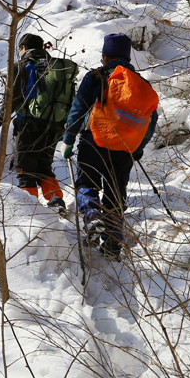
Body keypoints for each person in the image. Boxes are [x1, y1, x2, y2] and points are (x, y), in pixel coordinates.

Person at [62, 33, 159, 260]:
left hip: (94, 142)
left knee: (87, 182)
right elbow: (150, 122)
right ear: (127, 56)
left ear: (105, 56)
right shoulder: (141, 84)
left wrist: (69, 138)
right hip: (124, 149)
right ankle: (113, 244)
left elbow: (79, 108)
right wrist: (137, 148)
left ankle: (93, 217)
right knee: (116, 194)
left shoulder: (97, 76)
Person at [0, 33, 76, 212]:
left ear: (23, 48)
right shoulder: (55, 66)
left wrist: (0, 117)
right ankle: (56, 199)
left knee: (25, 169)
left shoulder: (22, 66)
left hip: (29, 125)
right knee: (44, 166)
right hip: (55, 124)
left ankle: (29, 211)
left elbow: (12, 98)